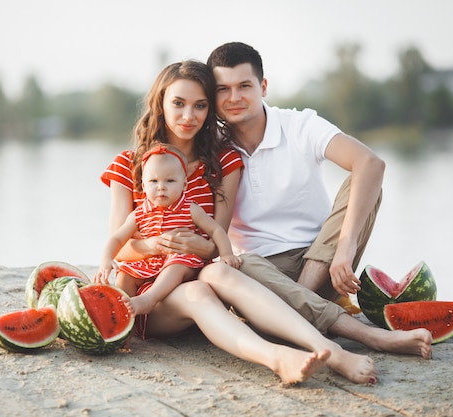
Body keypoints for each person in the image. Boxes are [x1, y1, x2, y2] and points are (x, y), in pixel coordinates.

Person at [101, 59, 431, 387]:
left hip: (191, 278)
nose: (189, 116)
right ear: (159, 103)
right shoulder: (128, 164)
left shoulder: (223, 162)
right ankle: (281, 355)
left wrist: (195, 246)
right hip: (144, 294)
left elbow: (217, 241)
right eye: (178, 103)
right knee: (205, 285)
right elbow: (122, 248)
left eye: (200, 105)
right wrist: (155, 245)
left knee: (213, 275)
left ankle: (326, 349)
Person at [206, 41, 383, 308]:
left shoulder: (300, 125)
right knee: (234, 266)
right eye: (223, 89)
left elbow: (371, 163)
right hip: (257, 270)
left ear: (263, 87)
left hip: (322, 259)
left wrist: (346, 248)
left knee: (366, 184)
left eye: (244, 86)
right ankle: (306, 308)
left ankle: (299, 303)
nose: (234, 98)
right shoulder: (211, 145)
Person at [95, 143, 242, 317]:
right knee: (124, 275)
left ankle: (148, 300)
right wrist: (106, 259)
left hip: (183, 262)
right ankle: (125, 320)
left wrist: (226, 254)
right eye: (153, 181)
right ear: (143, 184)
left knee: (176, 262)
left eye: (170, 181)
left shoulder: (190, 208)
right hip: (151, 263)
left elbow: (216, 230)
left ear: (184, 184)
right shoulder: (139, 213)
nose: (161, 187)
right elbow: (117, 238)